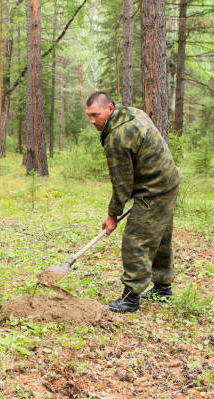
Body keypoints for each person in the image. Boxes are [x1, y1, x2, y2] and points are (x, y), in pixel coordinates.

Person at [85, 91, 181, 313]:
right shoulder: (131, 113)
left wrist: (113, 215)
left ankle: (130, 299)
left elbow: (122, 184)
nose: (92, 121)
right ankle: (163, 287)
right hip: (169, 181)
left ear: (109, 108)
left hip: (154, 189)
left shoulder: (117, 137)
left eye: (95, 115)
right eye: (88, 115)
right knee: (160, 235)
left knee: (136, 239)